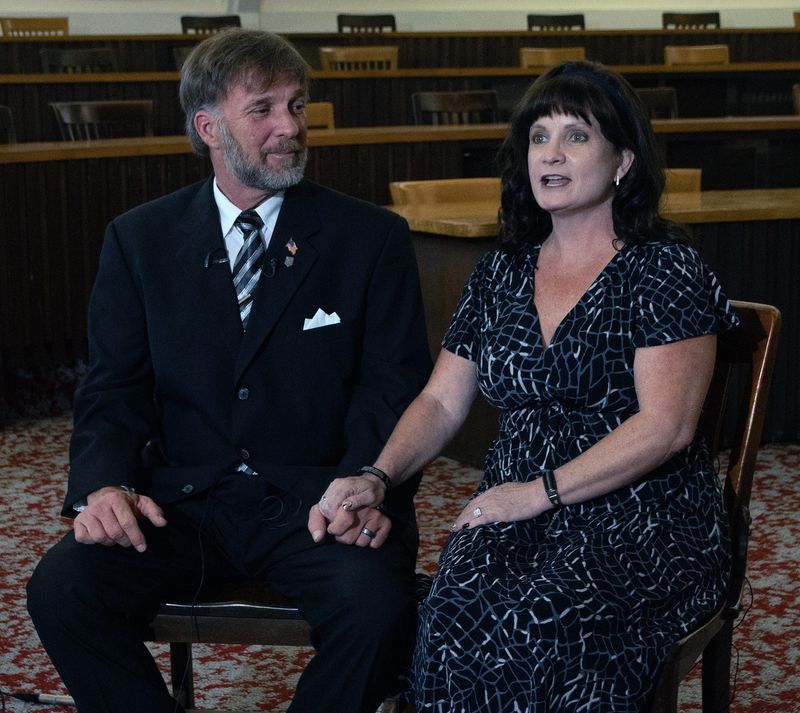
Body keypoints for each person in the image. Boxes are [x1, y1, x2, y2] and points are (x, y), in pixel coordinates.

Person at [312, 60, 739, 712]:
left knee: (534, 622)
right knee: (451, 617)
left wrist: (536, 494)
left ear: (623, 160)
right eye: (540, 136)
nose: (552, 154)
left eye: (577, 136)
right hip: (515, 504)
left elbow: (667, 427)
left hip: (641, 514)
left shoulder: (664, 267)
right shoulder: (503, 270)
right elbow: (439, 399)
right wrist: (377, 473)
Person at [26, 29, 431, 713]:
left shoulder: (371, 237)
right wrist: (101, 485)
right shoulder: (139, 239)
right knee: (62, 588)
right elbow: (113, 387)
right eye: (264, 110)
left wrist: (366, 482)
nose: (290, 127)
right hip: (184, 503)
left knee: (378, 606)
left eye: (297, 107)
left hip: (319, 502)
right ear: (208, 126)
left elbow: (392, 386)